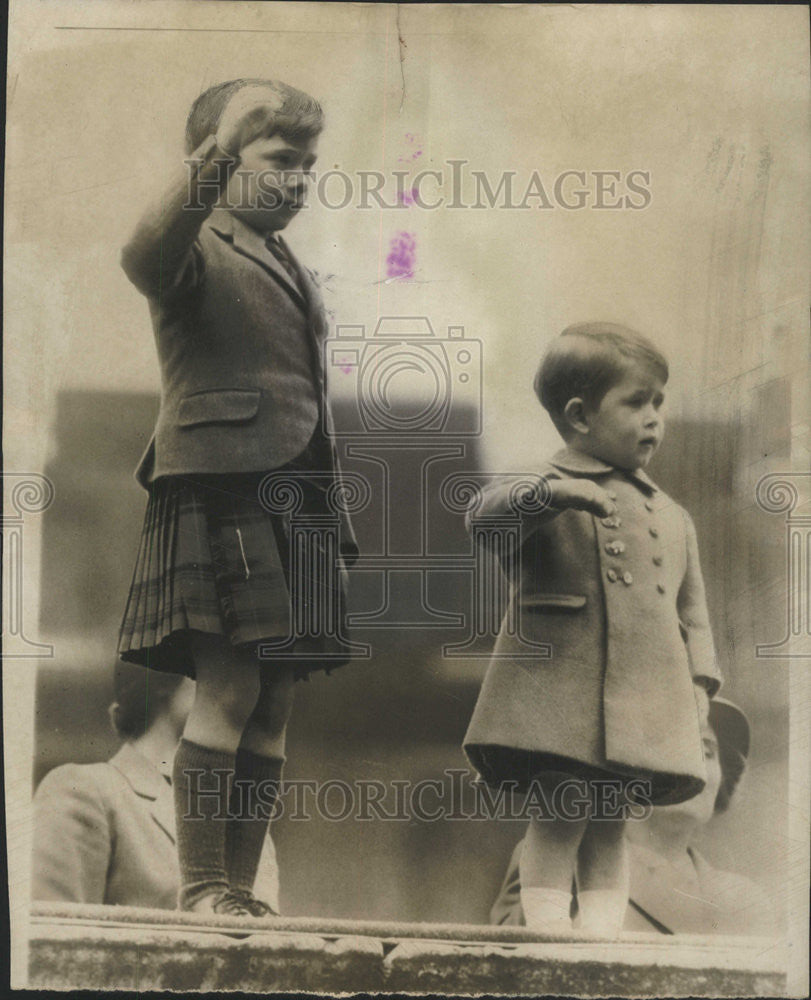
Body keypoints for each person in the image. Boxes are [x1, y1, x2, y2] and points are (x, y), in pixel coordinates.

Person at [117, 79, 358, 917]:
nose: (298, 179)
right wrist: (213, 155)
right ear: (221, 162)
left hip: (297, 496)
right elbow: (143, 252)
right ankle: (202, 890)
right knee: (228, 689)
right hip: (225, 485)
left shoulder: (285, 257)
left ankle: (245, 891)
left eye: (309, 165)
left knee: (275, 699)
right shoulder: (192, 247)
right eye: (279, 160)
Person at [463, 322, 722, 937]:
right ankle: (549, 934)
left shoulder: (672, 515)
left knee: (610, 822)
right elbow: (483, 521)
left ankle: (603, 941)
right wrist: (554, 495)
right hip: (561, 692)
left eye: (659, 401)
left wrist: (702, 685)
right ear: (579, 417)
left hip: (640, 699)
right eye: (637, 401)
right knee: (560, 813)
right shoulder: (540, 490)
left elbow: (694, 614)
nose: (654, 417)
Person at [489, 698, 777, 936]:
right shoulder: (559, 860)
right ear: (621, 765)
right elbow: (510, 965)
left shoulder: (746, 901)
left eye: (706, 749)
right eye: (671, 743)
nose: (694, 766)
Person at [32, 663, 280, 912]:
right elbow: (54, 937)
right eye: (224, 669)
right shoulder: (85, 790)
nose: (248, 690)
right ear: (164, 680)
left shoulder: (244, 822)